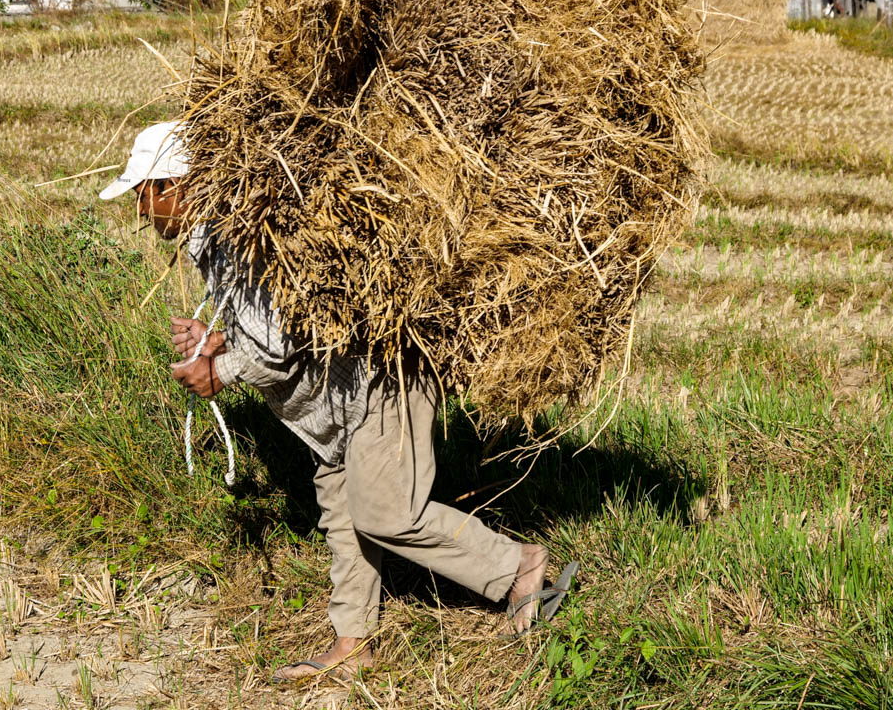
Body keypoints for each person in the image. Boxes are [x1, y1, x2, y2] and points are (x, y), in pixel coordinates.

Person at [100, 122, 576, 681]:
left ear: (172, 185)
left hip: (379, 383)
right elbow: (287, 326)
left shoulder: (239, 240)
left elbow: (274, 349)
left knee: (385, 513)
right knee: (344, 515)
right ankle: (353, 643)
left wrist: (219, 371)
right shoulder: (218, 238)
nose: (140, 211)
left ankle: (517, 565)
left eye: (141, 194)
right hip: (334, 404)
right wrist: (220, 338)